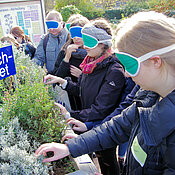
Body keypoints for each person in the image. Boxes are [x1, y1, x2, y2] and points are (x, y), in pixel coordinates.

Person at [36, 11, 175, 174]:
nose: (127, 75)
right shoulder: (148, 94)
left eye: (130, 65)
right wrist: (73, 146)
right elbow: (117, 126)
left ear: (156, 61)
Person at [42, 18, 126, 175]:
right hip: (89, 123)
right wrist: (62, 81)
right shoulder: (90, 63)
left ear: (103, 43)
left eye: (90, 41)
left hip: (104, 127)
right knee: (100, 159)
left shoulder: (114, 70)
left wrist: (70, 115)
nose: (85, 45)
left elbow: (100, 110)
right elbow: (80, 90)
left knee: (108, 161)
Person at [48, 18, 89, 110]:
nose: (76, 38)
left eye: (79, 34)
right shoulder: (64, 51)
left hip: (88, 99)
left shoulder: (93, 53)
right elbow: (58, 76)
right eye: (73, 34)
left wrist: (81, 75)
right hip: (70, 99)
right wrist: (67, 58)